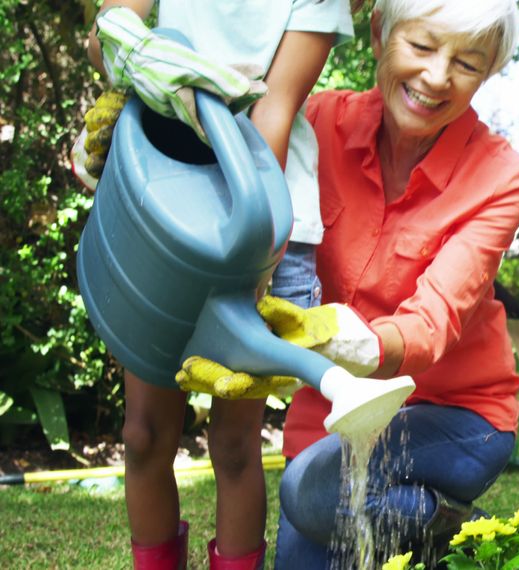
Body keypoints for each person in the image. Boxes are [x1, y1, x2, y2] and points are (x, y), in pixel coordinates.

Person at [249, 0, 519, 566]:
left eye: (468, 63)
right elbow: (236, 167)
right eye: (422, 46)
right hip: (338, 411)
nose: (436, 77)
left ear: (489, 72)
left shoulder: (501, 177)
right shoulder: (317, 125)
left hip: (456, 417)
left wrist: (357, 341)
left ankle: (451, 527)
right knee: (312, 510)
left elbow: (434, 321)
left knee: (311, 495)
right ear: (380, 34)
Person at [84, 1, 354, 567]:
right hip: (166, 199)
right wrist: (131, 64)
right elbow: (108, 38)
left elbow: (273, 112)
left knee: (235, 446)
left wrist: (252, 257)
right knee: (144, 433)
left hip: (264, 208)